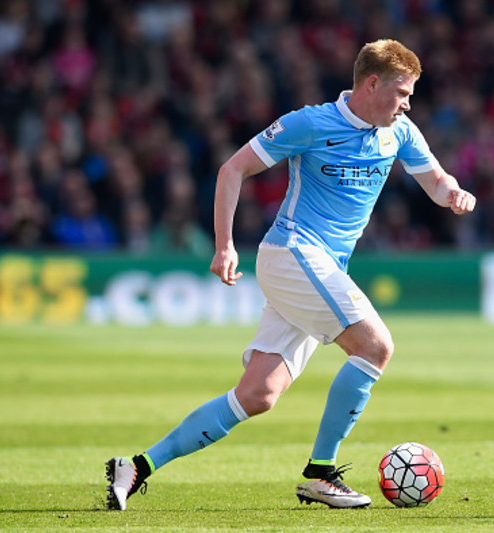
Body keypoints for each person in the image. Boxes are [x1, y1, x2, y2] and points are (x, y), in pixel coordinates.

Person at [105, 39, 475, 510]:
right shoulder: (312, 122)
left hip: (319, 268)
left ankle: (136, 466)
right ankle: (321, 472)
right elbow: (232, 169)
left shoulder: (400, 132)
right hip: (294, 252)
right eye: (402, 92)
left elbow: (437, 181)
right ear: (372, 83)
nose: (408, 103)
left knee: (257, 394)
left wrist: (455, 193)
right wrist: (224, 245)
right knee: (376, 346)